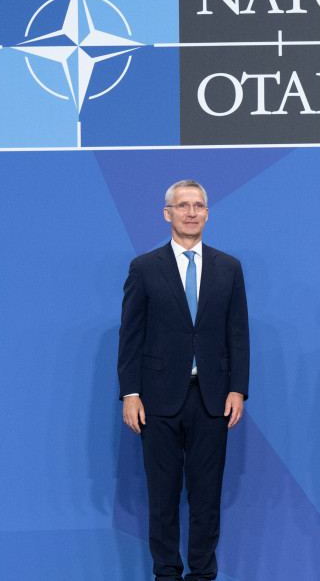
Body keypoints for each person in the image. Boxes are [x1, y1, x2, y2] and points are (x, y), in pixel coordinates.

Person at [118, 179, 249, 581]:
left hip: (212, 399)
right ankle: (166, 574)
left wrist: (238, 388)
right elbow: (131, 335)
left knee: (206, 499)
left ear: (207, 213)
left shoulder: (228, 266)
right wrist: (130, 393)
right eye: (182, 205)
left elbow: (238, 333)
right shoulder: (144, 267)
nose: (191, 212)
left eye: (198, 206)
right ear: (167, 213)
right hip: (157, 401)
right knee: (162, 497)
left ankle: (203, 575)